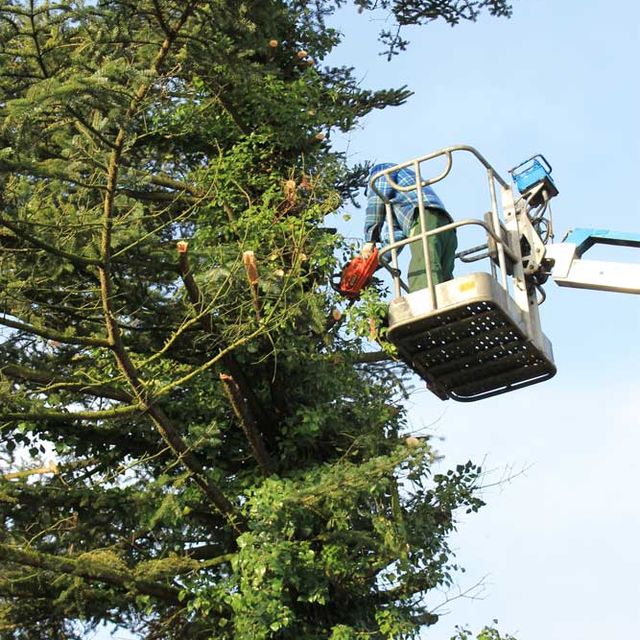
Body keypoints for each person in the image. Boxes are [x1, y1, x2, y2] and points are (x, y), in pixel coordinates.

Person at [362, 162, 457, 292]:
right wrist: (370, 265)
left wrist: (369, 241)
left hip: (424, 219)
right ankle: (450, 307)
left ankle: (425, 305)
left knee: (423, 271)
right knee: (442, 279)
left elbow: (375, 203)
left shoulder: (381, 171)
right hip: (445, 226)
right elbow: (395, 239)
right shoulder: (401, 205)